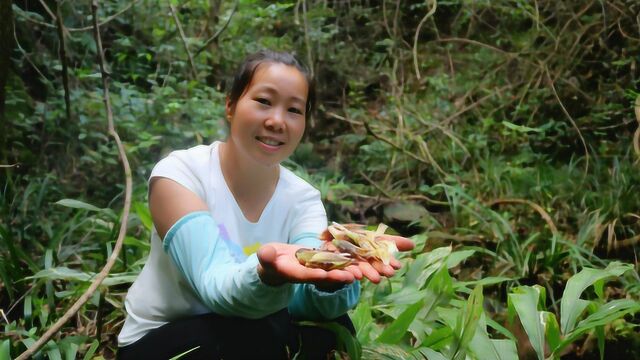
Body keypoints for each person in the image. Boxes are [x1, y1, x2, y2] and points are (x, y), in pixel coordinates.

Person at [116, 50, 414, 359]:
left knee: (333, 329)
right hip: (164, 337)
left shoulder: (303, 198)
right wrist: (266, 274)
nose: (276, 121)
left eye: (294, 110)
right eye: (263, 102)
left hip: (248, 327)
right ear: (230, 106)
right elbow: (214, 285)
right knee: (247, 340)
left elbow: (303, 303)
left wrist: (332, 270)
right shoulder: (180, 175)